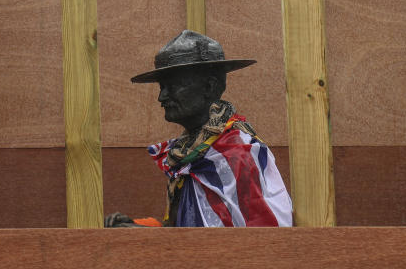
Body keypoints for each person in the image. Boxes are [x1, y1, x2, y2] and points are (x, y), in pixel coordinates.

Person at [105, 30, 292, 228]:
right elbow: (191, 229)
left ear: (209, 87)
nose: (162, 97)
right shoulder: (192, 155)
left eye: (173, 85)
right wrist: (139, 231)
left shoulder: (238, 156)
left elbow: (266, 242)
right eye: (162, 87)